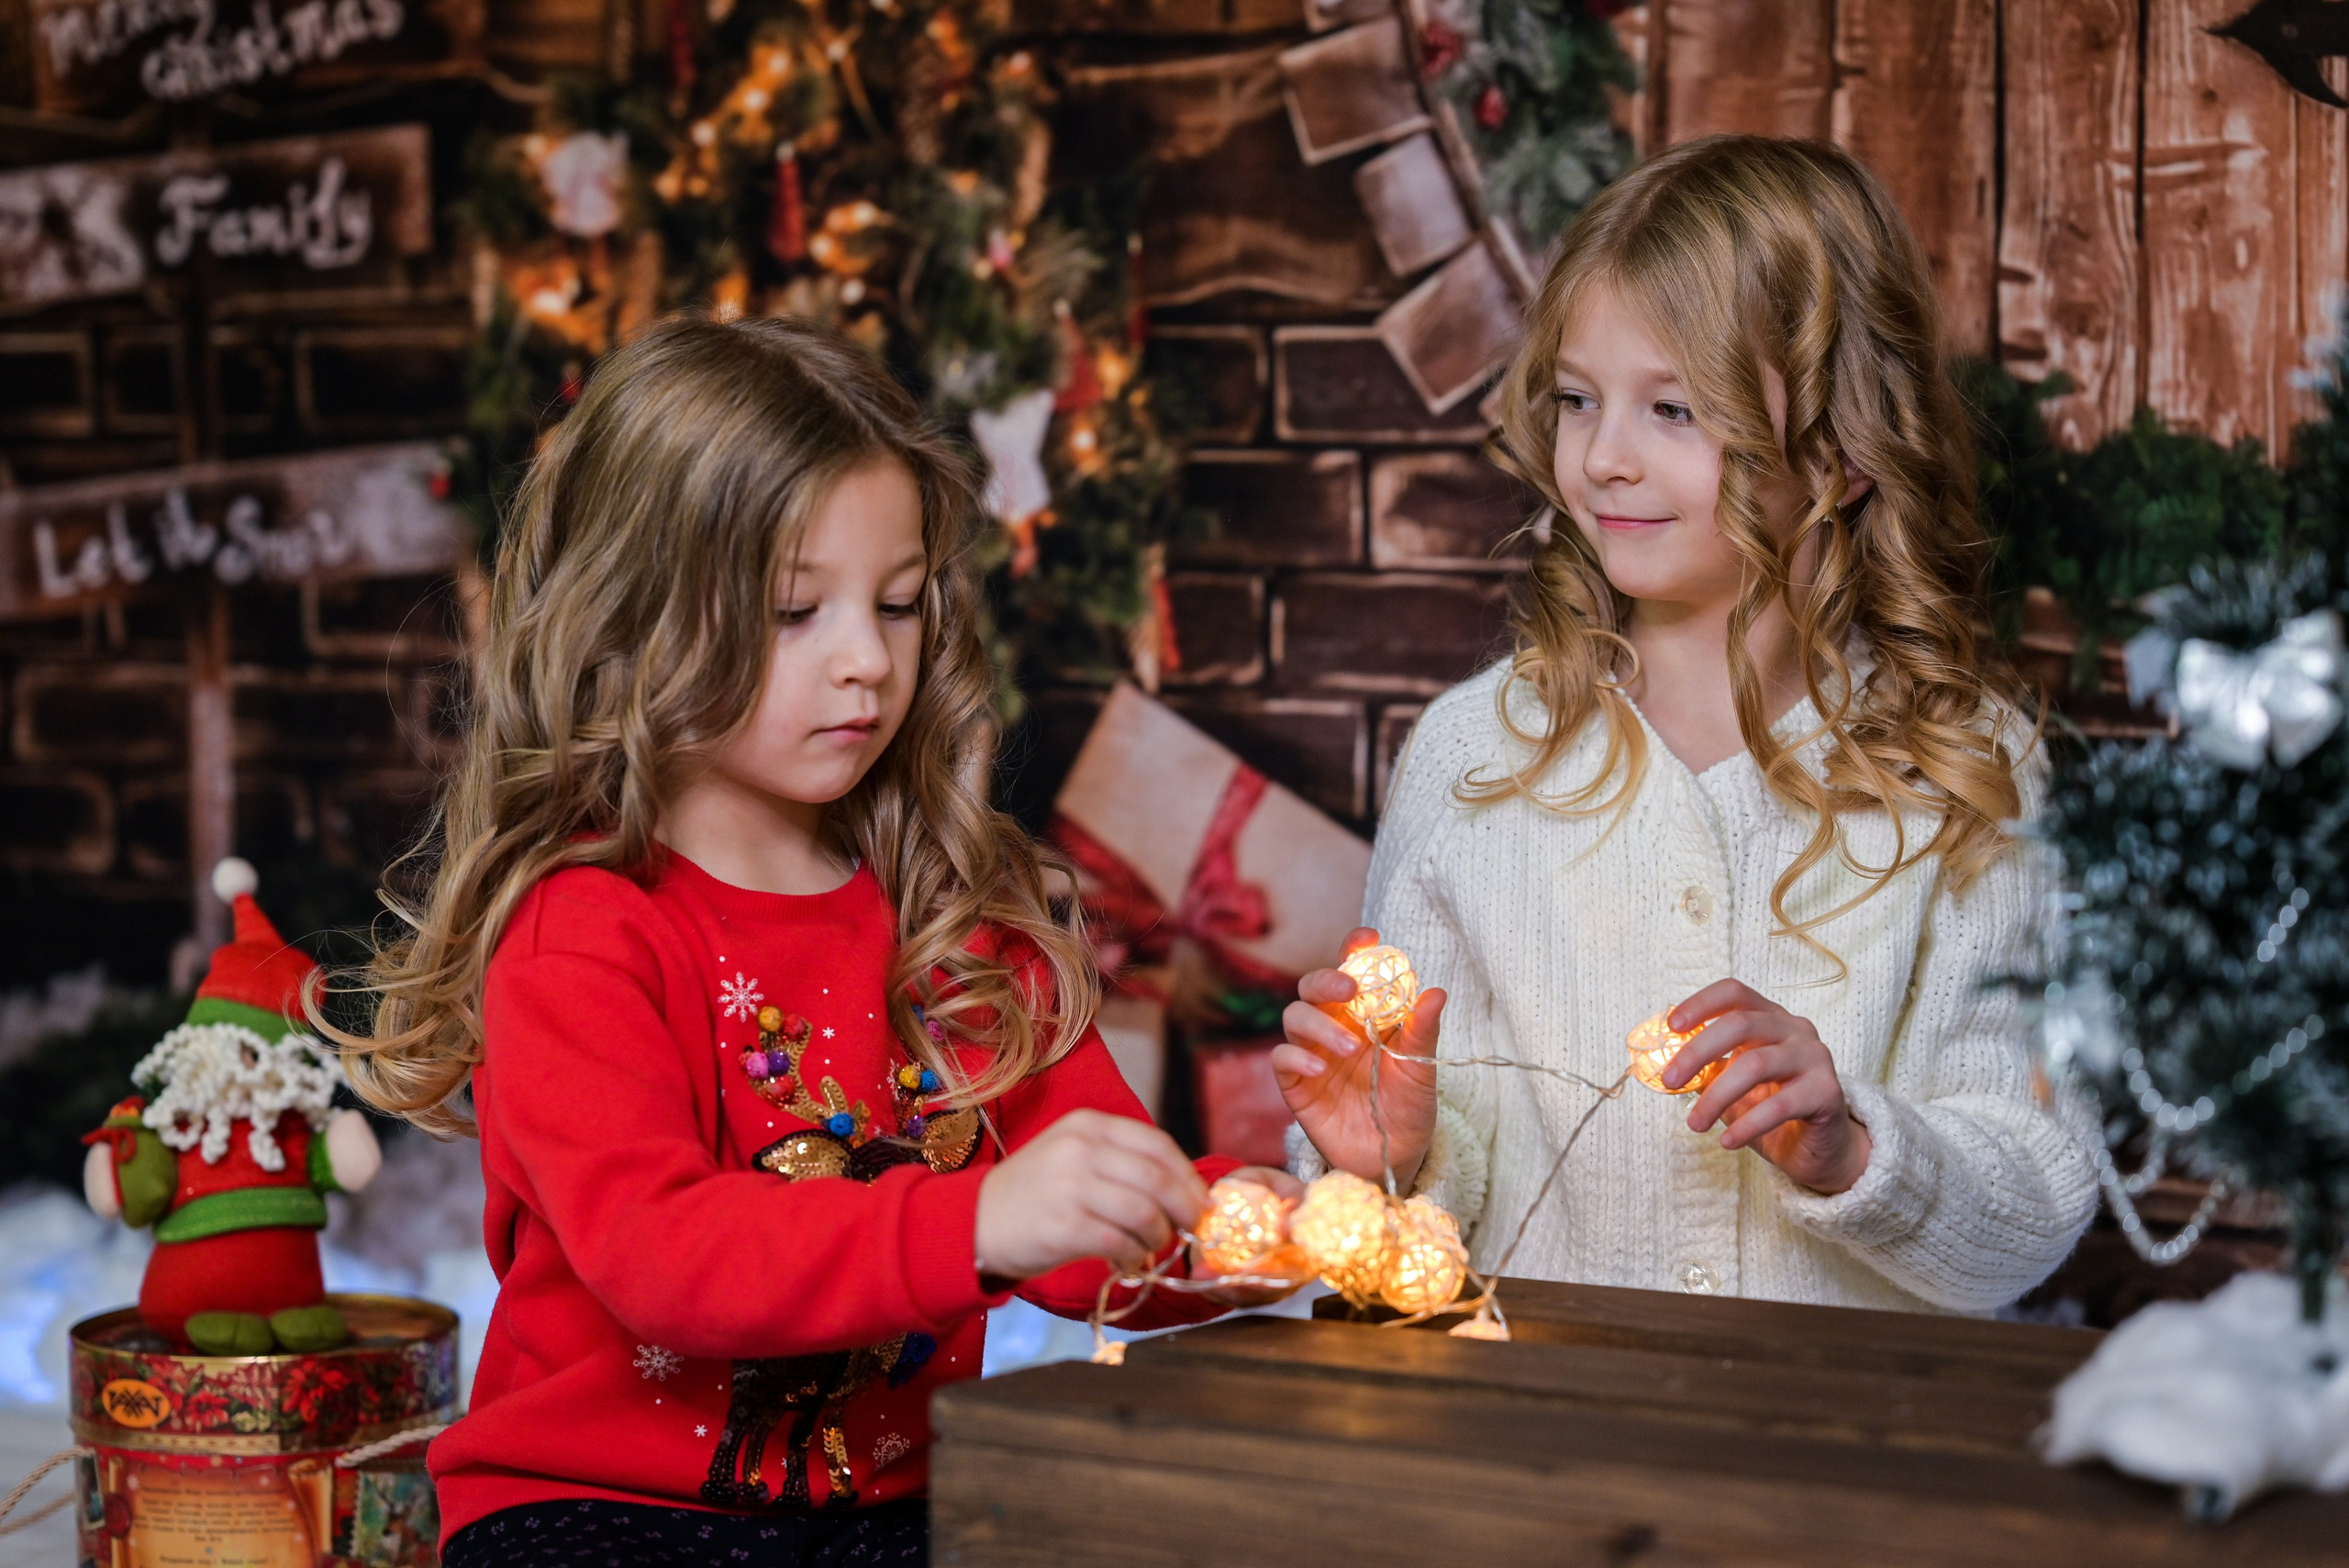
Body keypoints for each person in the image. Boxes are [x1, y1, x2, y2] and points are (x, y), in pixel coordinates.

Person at [328, 317, 1294, 1566]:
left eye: (896, 606)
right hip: (597, 1511)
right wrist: (978, 1221)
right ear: (635, 619)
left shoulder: (950, 919)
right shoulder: (581, 930)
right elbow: (662, 1256)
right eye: (795, 611)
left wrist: (1277, 1222)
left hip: (892, 1511)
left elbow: (1092, 1235)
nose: (866, 664)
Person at [1275, 135, 2097, 1316]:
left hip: (1844, 1470)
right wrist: (1385, 1155)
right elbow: (1411, 1222)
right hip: (1541, 1456)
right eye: (1575, 399)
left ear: (1840, 449)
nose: (1602, 457)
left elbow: (2031, 1200)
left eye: (1672, 408)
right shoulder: (1474, 762)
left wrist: (1850, 1150)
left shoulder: (1965, 770)